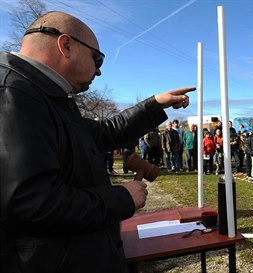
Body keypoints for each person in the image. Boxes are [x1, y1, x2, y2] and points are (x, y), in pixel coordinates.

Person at [0, 11, 195, 273]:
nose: (99, 70)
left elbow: (104, 133)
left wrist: (154, 104)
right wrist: (122, 197)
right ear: (65, 45)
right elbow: (30, 204)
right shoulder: (13, 94)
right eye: (97, 58)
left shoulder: (43, 94)